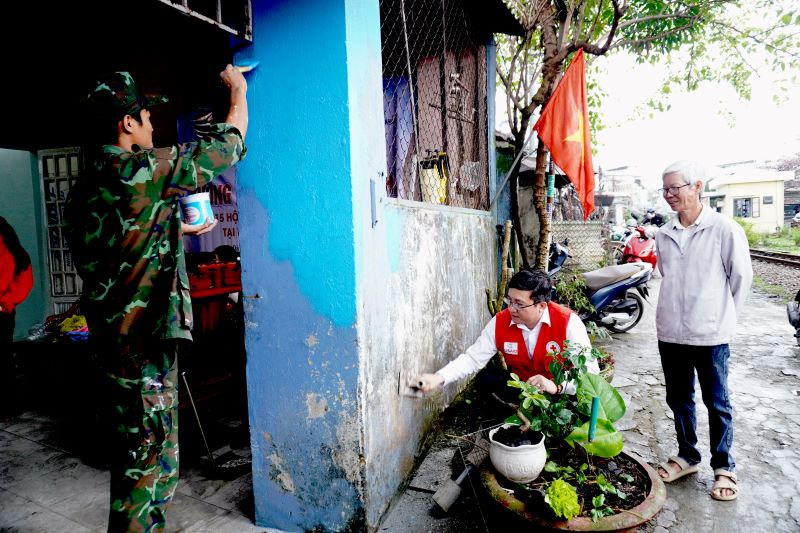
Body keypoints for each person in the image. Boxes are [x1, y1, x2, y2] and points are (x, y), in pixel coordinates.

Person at [64, 66, 248, 532]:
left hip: (114, 347)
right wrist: (238, 92)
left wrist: (173, 227)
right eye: (146, 116)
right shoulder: (138, 171)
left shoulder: (87, 185)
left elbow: (116, 248)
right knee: (144, 475)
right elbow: (229, 147)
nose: (152, 125)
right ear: (127, 123)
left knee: (142, 465)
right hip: (143, 350)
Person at [654, 160, 752, 502]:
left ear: (697, 186)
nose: (668, 195)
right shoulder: (663, 234)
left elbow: (741, 280)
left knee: (717, 402)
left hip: (710, 335)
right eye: (664, 189)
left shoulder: (724, 229)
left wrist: (722, 318)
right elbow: (666, 274)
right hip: (671, 332)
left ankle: (724, 466)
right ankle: (688, 456)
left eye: (674, 188)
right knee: (678, 398)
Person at [414, 269, 597, 406]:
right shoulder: (501, 321)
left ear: (541, 306)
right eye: (510, 301)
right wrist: (438, 377)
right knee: (488, 381)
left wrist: (557, 386)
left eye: (519, 304)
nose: (511, 309)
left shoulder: (568, 323)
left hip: (562, 399)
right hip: (523, 394)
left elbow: (591, 373)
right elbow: (472, 358)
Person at [0, 216, 34, 419]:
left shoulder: (10, 249)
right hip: (4, 312)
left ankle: (7, 407)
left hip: (2, 314)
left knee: (2, 361)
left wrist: (5, 303)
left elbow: (24, 277)